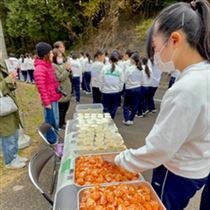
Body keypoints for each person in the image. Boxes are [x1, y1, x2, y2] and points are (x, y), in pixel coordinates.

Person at [115, 1, 210, 210]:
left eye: (155, 48)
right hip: (199, 165)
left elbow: (159, 150)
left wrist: (121, 160)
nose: (154, 56)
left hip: (177, 170)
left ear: (174, 39)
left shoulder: (186, 88)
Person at [0, 63, 27, 169]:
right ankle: (9, 161)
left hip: (8, 104)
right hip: (3, 108)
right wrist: (8, 79)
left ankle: (14, 156)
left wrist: (12, 80)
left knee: (14, 132)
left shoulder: (1, 66)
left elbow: (7, 86)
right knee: (8, 134)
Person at [34, 42, 62, 144]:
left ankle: (55, 136)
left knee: (56, 120)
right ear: (45, 54)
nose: (52, 55)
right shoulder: (40, 68)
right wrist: (47, 103)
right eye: (50, 53)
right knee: (50, 121)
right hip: (49, 101)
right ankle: (52, 140)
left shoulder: (48, 65)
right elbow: (42, 88)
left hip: (53, 98)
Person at [99, 51, 124, 119]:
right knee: (114, 106)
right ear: (117, 60)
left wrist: (101, 89)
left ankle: (107, 119)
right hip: (115, 92)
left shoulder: (104, 68)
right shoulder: (120, 70)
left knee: (106, 107)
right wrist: (119, 90)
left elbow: (101, 80)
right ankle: (111, 118)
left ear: (109, 60)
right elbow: (122, 81)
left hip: (106, 92)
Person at [52, 48, 72, 130]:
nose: (61, 58)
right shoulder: (53, 66)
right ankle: (60, 124)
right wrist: (67, 70)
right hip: (61, 91)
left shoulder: (62, 64)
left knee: (66, 108)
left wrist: (69, 70)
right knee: (61, 109)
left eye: (61, 56)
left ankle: (63, 121)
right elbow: (59, 78)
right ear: (54, 57)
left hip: (67, 90)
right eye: (58, 56)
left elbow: (67, 75)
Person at [123, 52, 142, 125]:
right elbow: (142, 80)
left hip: (129, 88)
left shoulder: (129, 69)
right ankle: (131, 120)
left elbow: (125, 80)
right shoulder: (141, 69)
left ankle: (126, 119)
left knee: (126, 105)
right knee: (135, 105)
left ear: (133, 60)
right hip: (138, 88)